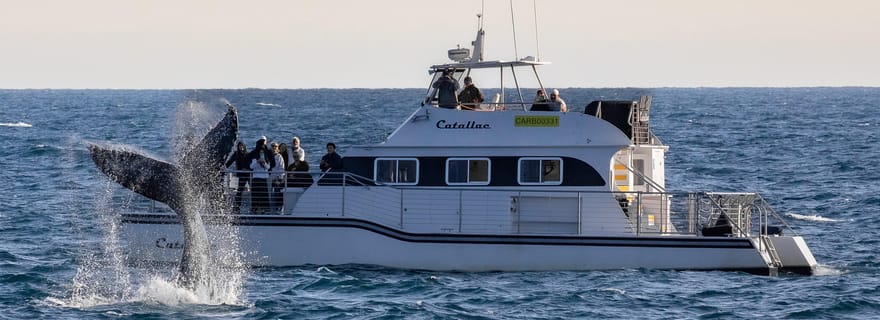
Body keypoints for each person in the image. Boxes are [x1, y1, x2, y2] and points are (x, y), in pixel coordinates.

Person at [224, 141, 250, 214]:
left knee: (253, 190)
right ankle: (236, 208)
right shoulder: (236, 154)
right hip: (241, 175)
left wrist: (247, 169)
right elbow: (230, 161)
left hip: (249, 174)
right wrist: (224, 167)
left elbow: (251, 163)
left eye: (242, 146)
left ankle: (254, 207)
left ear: (244, 147)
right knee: (239, 191)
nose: (241, 148)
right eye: (239, 146)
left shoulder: (247, 154)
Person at [249, 147, 270, 213]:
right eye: (260, 152)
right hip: (256, 178)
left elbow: (268, 167)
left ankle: (265, 209)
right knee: (255, 194)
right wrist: (257, 162)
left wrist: (264, 163)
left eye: (262, 152)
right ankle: (254, 208)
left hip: (263, 178)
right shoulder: (254, 159)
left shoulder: (266, 158)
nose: (261, 153)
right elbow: (251, 167)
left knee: (264, 195)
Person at [268, 142, 286, 212]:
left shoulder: (279, 157)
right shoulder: (268, 156)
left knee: (278, 192)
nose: (274, 148)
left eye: (275, 146)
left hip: (277, 178)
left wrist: (276, 177)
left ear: (277, 148)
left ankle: (278, 208)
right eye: (272, 146)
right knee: (268, 193)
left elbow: (282, 169)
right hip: (269, 178)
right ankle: (268, 208)